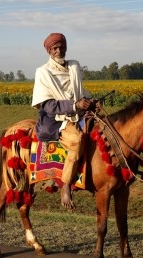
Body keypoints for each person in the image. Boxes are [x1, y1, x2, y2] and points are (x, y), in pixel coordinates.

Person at [31, 33, 94, 210]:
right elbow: (48, 105)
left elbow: (79, 91)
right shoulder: (43, 72)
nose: (59, 51)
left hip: (79, 113)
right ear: (49, 51)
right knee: (76, 140)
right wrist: (75, 105)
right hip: (56, 120)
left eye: (61, 47)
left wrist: (91, 101)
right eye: (55, 48)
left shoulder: (74, 66)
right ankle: (66, 185)